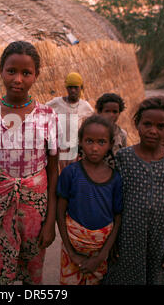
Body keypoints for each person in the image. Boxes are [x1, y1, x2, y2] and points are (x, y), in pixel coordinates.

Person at [0, 41, 59, 285]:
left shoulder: (48, 116)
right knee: (2, 271)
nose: (18, 79)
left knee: (32, 272)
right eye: (11, 71)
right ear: (1, 70)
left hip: (37, 210)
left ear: (36, 75)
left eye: (26, 73)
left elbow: (53, 173)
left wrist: (50, 221)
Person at [104, 97, 164, 285]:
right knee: (123, 275)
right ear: (137, 124)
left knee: (154, 276)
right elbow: (112, 200)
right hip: (127, 235)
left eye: (161, 126)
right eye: (147, 124)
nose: (153, 131)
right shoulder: (123, 158)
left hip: (159, 236)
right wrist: (111, 240)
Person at [56, 115, 122, 285]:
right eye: (89, 141)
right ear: (80, 142)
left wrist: (102, 256)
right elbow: (60, 212)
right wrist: (71, 252)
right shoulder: (70, 173)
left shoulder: (115, 179)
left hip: (100, 252)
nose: (94, 148)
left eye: (101, 142)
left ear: (110, 144)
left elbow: (117, 217)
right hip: (72, 249)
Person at [46, 72, 94, 171]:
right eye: (70, 87)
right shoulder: (57, 103)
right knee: (60, 173)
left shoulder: (85, 106)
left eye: (76, 87)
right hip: (59, 148)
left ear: (81, 88)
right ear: (66, 88)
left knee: (73, 174)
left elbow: (93, 122)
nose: (73, 90)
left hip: (75, 149)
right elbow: (43, 111)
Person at [95, 93, 128, 168]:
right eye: (107, 111)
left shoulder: (122, 134)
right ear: (100, 112)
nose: (111, 115)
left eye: (115, 112)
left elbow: (123, 157)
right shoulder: (93, 132)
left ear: (119, 113)